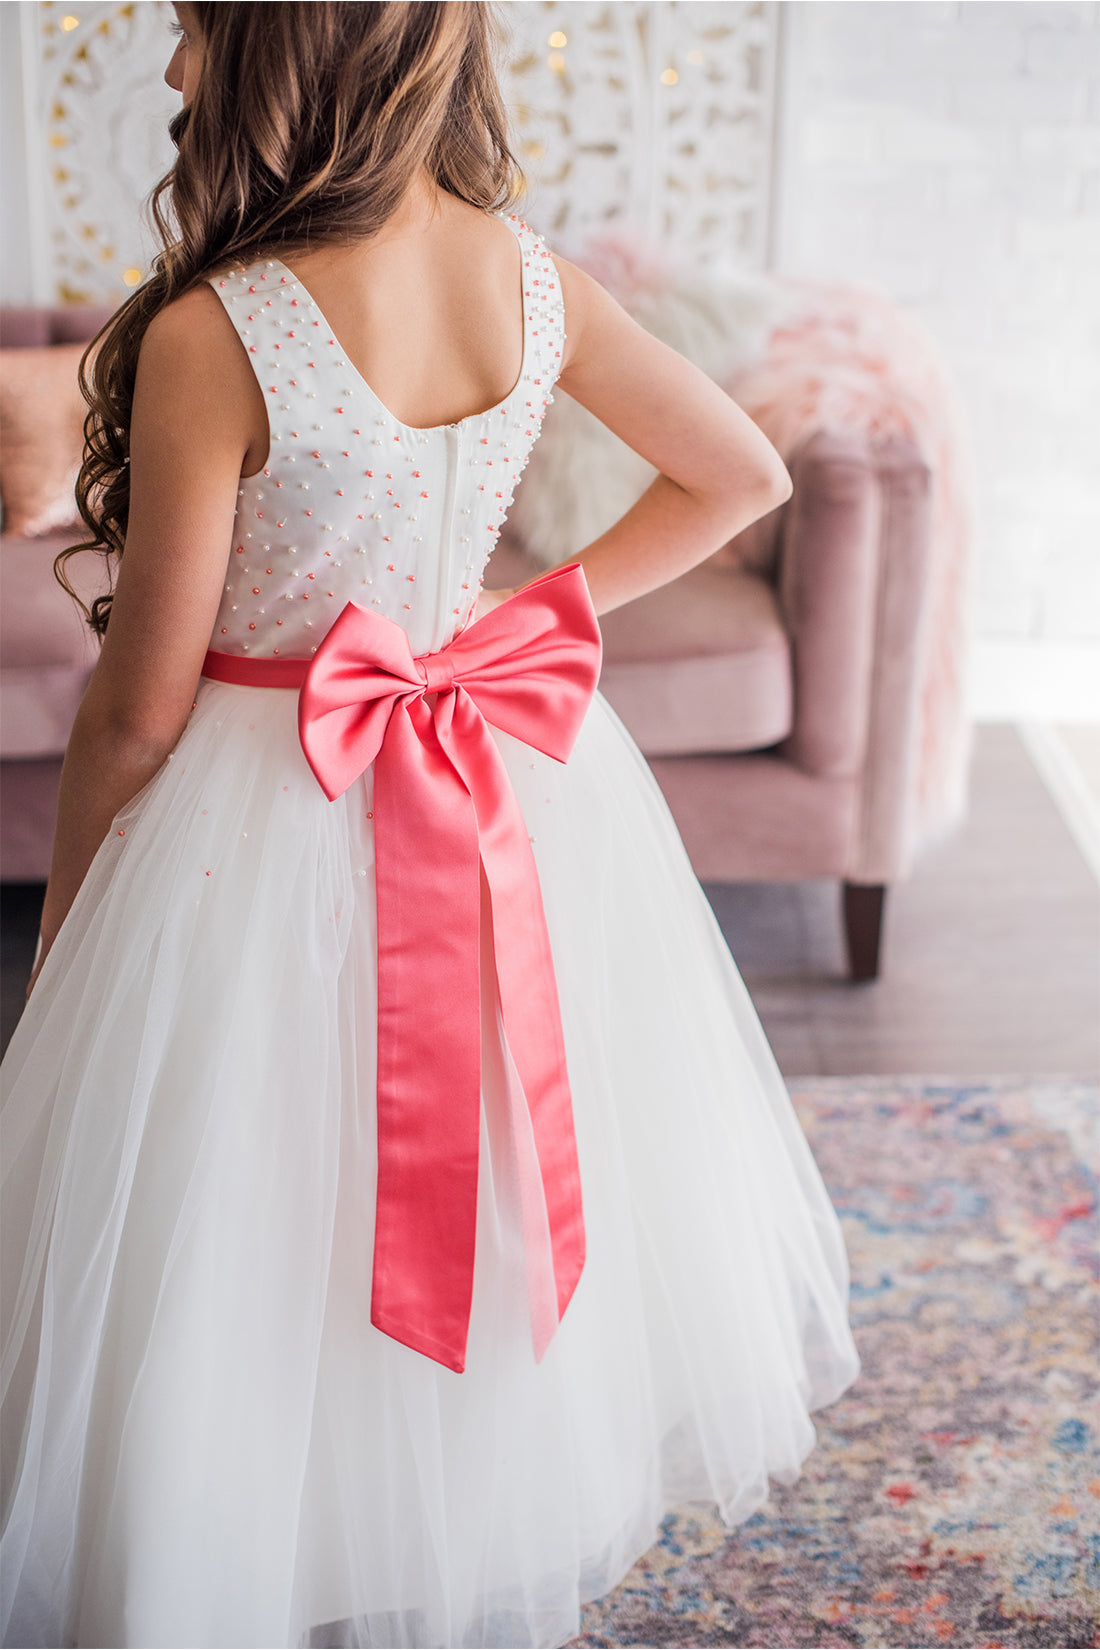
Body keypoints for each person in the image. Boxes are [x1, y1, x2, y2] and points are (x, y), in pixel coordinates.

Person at [0, 4, 860, 1646]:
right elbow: (740, 469)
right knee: (476, 1155)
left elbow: (141, 704)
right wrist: (513, 624)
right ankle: (434, 1510)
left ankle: (249, 1536)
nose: (174, 72)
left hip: (271, 799)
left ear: (277, 53)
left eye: (192, 33)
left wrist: (68, 947)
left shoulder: (217, 328)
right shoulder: (530, 280)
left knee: (243, 1188)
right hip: (499, 779)